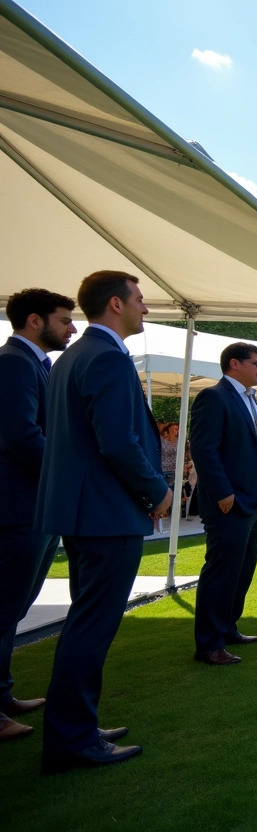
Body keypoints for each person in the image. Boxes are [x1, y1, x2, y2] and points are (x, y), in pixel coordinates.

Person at [36, 271, 172, 772]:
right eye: (140, 300)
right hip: (105, 513)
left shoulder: (70, 357)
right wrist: (157, 491)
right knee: (91, 626)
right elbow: (117, 442)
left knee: (84, 622)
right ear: (116, 304)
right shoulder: (107, 358)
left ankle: (77, 725)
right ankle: (72, 738)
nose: (146, 309)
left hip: (85, 511)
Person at [0, 288, 76, 743]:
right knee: (4, 607)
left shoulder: (35, 364)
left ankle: (4, 695)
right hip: (17, 508)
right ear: (34, 321)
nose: (71, 328)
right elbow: (21, 436)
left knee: (14, 608)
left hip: (36, 506)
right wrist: (65, 475)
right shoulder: (13, 363)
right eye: (65, 320)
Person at [188, 341, 257, 665]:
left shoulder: (251, 399)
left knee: (242, 571)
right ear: (235, 364)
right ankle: (209, 644)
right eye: (256, 363)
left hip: (252, 503)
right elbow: (204, 449)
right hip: (229, 503)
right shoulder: (214, 396)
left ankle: (227, 628)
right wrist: (223, 492)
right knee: (222, 573)